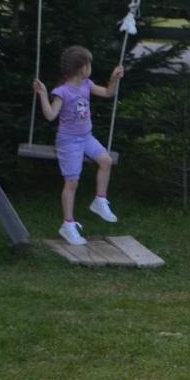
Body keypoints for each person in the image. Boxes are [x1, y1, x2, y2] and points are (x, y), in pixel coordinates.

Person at [31, 45, 124, 246]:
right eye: (89, 63)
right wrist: (43, 93)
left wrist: (114, 79)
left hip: (86, 137)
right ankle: (68, 224)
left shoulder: (87, 84)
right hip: (68, 141)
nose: (90, 67)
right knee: (72, 182)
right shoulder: (62, 92)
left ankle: (100, 200)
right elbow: (50, 116)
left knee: (106, 161)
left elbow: (108, 93)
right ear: (82, 68)